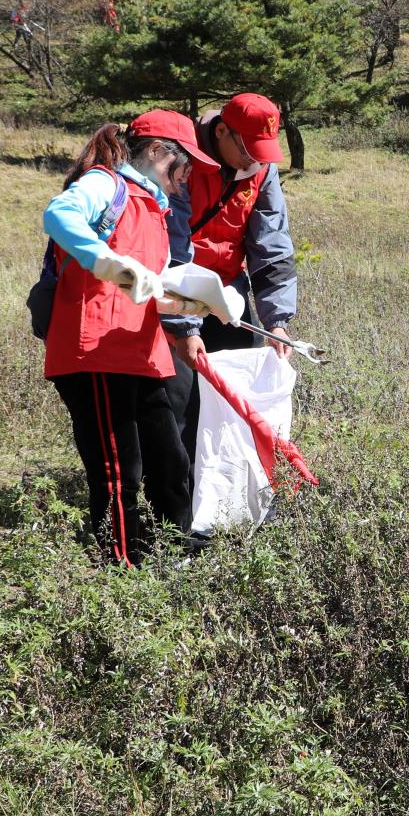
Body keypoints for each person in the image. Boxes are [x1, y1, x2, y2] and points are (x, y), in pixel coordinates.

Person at [41, 112, 219, 567]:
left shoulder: (156, 209)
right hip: (97, 350)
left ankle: (175, 558)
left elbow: (148, 289)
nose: (186, 179)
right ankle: (120, 576)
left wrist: (193, 306)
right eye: (184, 168)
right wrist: (109, 265)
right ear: (159, 152)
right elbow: (60, 215)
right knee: (120, 473)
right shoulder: (106, 185)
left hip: (143, 353)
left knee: (171, 463)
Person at [161, 93, 299, 473]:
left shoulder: (262, 169)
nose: (255, 159)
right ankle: (185, 503)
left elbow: (271, 246)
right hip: (174, 294)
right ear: (221, 131)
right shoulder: (181, 161)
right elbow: (173, 251)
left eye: (264, 150)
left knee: (245, 387)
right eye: (248, 148)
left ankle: (238, 485)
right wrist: (185, 327)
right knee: (183, 397)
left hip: (226, 293)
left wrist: (277, 321)